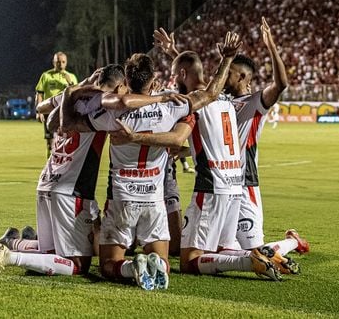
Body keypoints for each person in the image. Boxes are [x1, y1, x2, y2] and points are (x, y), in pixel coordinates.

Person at [0, 64, 181, 279]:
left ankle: (12, 242)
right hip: (71, 190)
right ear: (120, 85)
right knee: (78, 265)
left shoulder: (74, 96)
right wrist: (161, 95)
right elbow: (127, 102)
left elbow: (42, 109)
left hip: (47, 182)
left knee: (51, 253)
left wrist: (76, 87)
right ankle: (9, 255)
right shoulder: (104, 104)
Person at [63, 32, 242, 290]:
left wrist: (72, 94)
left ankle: (130, 267)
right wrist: (226, 59)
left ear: (126, 80)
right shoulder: (172, 105)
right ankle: (153, 263)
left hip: (122, 199)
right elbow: (211, 93)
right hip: (155, 202)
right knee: (163, 260)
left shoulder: (113, 112)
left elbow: (69, 124)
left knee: (108, 266)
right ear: (153, 81)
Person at [111, 27, 282, 281]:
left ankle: (248, 260)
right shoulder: (224, 100)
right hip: (236, 188)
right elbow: (201, 85)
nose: (172, 81)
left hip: (211, 187)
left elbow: (181, 119)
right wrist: (174, 52)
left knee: (189, 260)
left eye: (174, 75)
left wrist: (136, 136)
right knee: (221, 249)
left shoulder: (190, 100)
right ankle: (255, 254)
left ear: (181, 75)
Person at [223, 18, 309, 263]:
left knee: (258, 253)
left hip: (245, 183)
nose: (222, 75)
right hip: (220, 184)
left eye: (228, 72)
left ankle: (292, 241)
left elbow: (281, 84)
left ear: (242, 77)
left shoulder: (255, 103)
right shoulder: (220, 102)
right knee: (220, 247)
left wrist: (271, 45)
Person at [35, 52, 78, 157]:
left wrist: (70, 83)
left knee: (67, 141)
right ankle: (50, 167)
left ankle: (63, 167)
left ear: (66, 63)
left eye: (63, 62)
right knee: (50, 143)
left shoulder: (71, 77)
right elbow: (39, 94)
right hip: (49, 112)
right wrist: (38, 112)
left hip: (65, 113)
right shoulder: (46, 76)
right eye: (58, 62)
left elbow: (77, 95)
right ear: (54, 62)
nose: (61, 64)